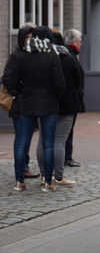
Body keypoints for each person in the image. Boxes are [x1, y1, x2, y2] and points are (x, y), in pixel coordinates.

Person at [11, 26, 65, 192]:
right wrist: (55, 95)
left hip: (28, 103)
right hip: (48, 104)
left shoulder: (22, 57)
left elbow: (12, 81)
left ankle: (19, 181)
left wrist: (24, 92)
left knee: (22, 143)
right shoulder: (52, 57)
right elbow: (60, 83)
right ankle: (48, 182)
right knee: (48, 144)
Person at [35, 30, 84, 186]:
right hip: (66, 105)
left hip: (45, 104)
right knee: (59, 142)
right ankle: (58, 175)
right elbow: (78, 81)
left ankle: (44, 174)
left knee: (43, 140)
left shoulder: (41, 59)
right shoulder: (69, 60)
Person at [2, 23, 39, 179]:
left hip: (29, 102)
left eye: (32, 37)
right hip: (20, 103)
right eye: (28, 37)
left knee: (25, 137)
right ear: (22, 38)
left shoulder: (32, 54)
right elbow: (8, 79)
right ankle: (22, 169)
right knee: (22, 138)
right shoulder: (17, 55)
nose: (30, 40)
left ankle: (24, 167)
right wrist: (19, 93)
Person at [63, 29, 84, 167]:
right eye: (80, 41)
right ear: (74, 42)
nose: (81, 44)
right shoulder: (69, 57)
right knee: (66, 130)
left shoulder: (70, 55)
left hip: (70, 99)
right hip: (69, 100)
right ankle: (67, 157)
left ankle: (67, 156)